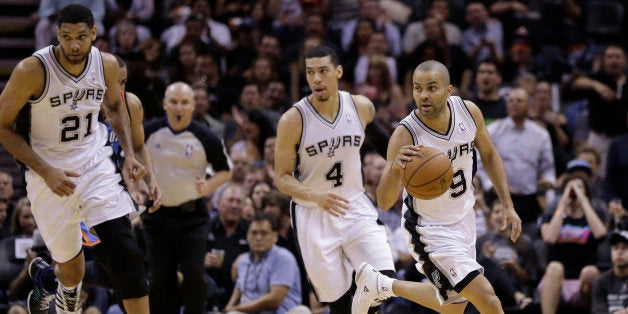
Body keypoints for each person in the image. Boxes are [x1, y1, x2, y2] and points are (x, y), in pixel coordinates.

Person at [0, 4, 149, 313]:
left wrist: (129, 155)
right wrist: (45, 170)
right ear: (57, 34)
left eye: (82, 36)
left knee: (126, 255)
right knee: (72, 269)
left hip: (93, 164)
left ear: (94, 34)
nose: (75, 44)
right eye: (67, 37)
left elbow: (116, 106)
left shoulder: (106, 65)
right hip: (47, 174)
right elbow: (1, 126)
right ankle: (65, 290)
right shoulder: (33, 70)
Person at [352, 60, 522, 314]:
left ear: (448, 90)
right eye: (417, 88)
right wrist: (396, 169)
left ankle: (381, 285)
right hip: (429, 229)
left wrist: (508, 205)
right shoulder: (406, 134)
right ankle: (382, 286)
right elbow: (384, 202)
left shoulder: (468, 112)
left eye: (431, 87)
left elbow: (489, 154)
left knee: (454, 307)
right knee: (489, 300)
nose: (423, 95)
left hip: (464, 219)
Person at [26, 55, 162, 313]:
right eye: (113, 82)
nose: (118, 89)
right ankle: (55, 282)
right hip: (73, 189)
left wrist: (151, 178)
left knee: (118, 265)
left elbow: (141, 145)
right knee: (115, 266)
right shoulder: (74, 107)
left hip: (108, 193)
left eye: (123, 82)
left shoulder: (130, 104)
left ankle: (49, 280)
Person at [274, 45, 395, 314]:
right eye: (310, 73)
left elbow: (388, 148)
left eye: (323, 71)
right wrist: (315, 196)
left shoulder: (360, 106)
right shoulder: (293, 120)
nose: (316, 79)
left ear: (338, 72)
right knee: (339, 305)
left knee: (383, 279)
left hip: (354, 205)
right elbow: (281, 178)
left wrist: (409, 161)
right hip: (313, 214)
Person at [143, 81, 232, 314]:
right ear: (164, 104)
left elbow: (226, 170)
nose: (178, 107)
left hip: (192, 218)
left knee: (194, 272)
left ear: (193, 106)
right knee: (160, 279)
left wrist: (209, 184)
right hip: (157, 217)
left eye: (184, 102)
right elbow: (128, 160)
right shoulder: (148, 132)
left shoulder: (206, 137)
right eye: (173, 102)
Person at [224, 214, 310, 314]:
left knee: (302, 311)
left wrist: (237, 309)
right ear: (247, 235)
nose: (258, 238)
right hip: (248, 312)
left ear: (275, 236)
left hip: (282, 312)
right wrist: (227, 310)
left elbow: (274, 300)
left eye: (264, 233)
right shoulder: (243, 260)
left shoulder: (284, 257)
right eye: (254, 233)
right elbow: (238, 290)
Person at [591, 230, 628, 313]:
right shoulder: (601, 281)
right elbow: (597, 311)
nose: (619, 252)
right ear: (611, 252)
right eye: (616, 248)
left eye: (625, 248)